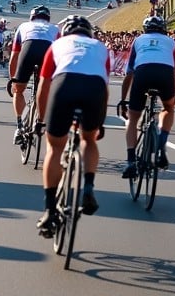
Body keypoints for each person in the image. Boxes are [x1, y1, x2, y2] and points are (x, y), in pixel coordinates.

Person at [34, 15, 109, 236]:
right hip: (94, 88)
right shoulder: (100, 47)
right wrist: (99, 121)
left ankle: (49, 211)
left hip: (64, 84)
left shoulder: (57, 45)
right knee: (89, 139)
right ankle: (88, 188)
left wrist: (41, 120)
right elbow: (104, 89)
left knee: (55, 147)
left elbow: (43, 87)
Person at [120, 14, 175, 179]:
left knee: (133, 119)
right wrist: (172, 97)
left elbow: (129, 73)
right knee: (168, 108)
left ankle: (131, 161)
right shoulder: (172, 42)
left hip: (143, 74)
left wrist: (123, 99)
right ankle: (161, 146)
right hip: (164, 75)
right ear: (164, 29)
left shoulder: (138, 40)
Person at [8, 5, 59, 146]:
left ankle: (20, 126)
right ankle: (40, 121)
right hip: (47, 51)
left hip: (28, 49)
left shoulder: (23, 26)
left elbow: (14, 57)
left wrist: (13, 80)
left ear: (31, 18)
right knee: (46, 89)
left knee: (18, 91)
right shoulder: (55, 28)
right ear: (48, 19)